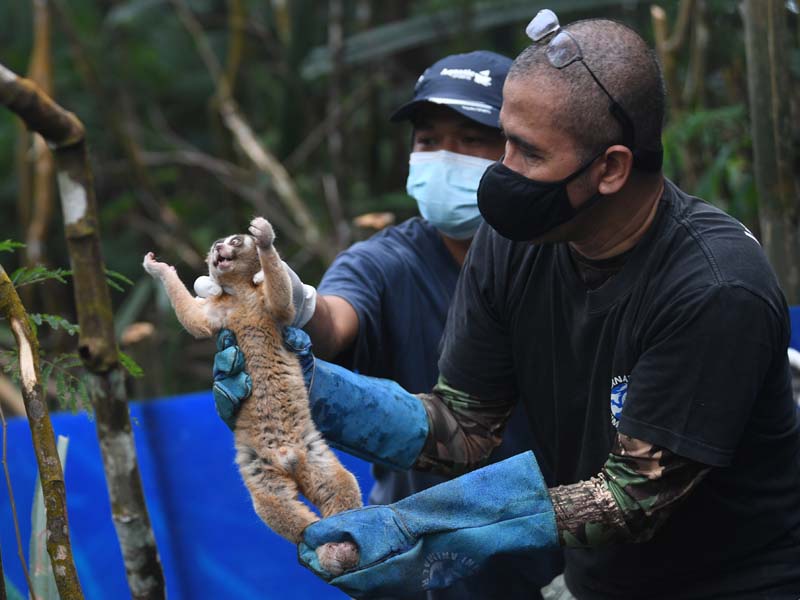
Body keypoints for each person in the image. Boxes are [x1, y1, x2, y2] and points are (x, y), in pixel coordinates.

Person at [219, 10, 800, 599]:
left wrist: (422, 525)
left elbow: (630, 499)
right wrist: (309, 389)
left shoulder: (715, 289)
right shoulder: (515, 241)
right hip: (598, 581)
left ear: (611, 168)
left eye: (526, 152)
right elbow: (464, 428)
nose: (500, 174)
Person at [213, 51, 562, 598]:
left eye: (471, 139)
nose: (445, 157)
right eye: (428, 141)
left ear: (516, 148)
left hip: (575, 552)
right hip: (427, 568)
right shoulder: (387, 261)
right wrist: (289, 302)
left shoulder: (568, 256)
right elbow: (335, 318)